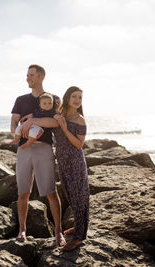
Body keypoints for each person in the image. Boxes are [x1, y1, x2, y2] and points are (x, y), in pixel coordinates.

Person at [10, 64, 66, 247]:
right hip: (24, 150)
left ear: (41, 77)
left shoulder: (53, 99)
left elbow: (56, 122)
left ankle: (58, 232)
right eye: (27, 75)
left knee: (51, 192)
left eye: (31, 75)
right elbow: (13, 125)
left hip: (44, 149)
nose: (27, 78)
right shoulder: (20, 100)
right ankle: (22, 230)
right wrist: (19, 133)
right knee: (23, 193)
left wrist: (33, 120)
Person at [53, 86, 89, 251]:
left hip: (75, 162)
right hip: (62, 161)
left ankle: (79, 237)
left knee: (78, 197)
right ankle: (79, 227)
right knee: (69, 194)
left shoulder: (79, 119)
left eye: (80, 97)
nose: (77, 100)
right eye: (74, 96)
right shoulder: (61, 115)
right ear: (67, 97)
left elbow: (78, 144)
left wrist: (64, 127)